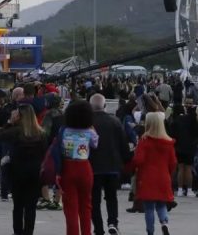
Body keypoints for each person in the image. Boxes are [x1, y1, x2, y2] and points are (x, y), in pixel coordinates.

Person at [0, 104, 48, 235]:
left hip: (17, 173)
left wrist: (9, 122)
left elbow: (0, 135)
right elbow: (45, 154)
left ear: (19, 117)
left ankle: (18, 232)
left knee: (18, 206)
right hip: (35, 173)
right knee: (31, 208)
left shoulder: (16, 132)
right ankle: (28, 232)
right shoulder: (41, 134)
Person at [88, 94, 130, 235]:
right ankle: (113, 222)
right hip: (112, 166)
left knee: (94, 200)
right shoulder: (115, 121)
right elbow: (123, 144)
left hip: (93, 167)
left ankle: (98, 228)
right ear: (105, 106)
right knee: (111, 197)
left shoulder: (87, 122)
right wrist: (125, 161)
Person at [129, 112, 176, 235]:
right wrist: (168, 172)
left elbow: (138, 160)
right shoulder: (168, 142)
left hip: (147, 177)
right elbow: (173, 162)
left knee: (149, 208)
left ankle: (150, 232)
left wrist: (132, 167)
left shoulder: (144, 141)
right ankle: (164, 222)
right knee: (161, 205)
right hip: (163, 177)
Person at [60, 100, 99, 235]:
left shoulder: (64, 131)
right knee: (86, 205)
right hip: (84, 167)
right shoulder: (89, 132)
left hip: (68, 167)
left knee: (70, 208)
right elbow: (95, 144)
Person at [170, 101, 198, 197]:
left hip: (178, 147)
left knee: (180, 168)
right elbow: (196, 132)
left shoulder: (175, 120)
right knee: (188, 168)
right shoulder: (191, 119)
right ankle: (189, 190)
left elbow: (172, 134)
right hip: (189, 147)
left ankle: (179, 189)